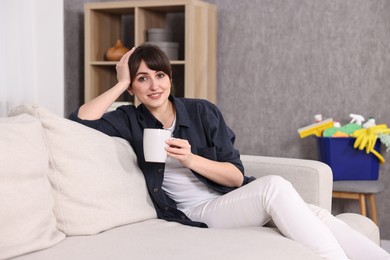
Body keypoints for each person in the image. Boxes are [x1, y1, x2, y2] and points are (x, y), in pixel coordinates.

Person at [70, 44, 390, 260]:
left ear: (170, 78)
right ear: (133, 88)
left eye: (160, 75)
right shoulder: (128, 119)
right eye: (142, 79)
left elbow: (236, 178)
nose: (154, 85)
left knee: (316, 214)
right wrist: (120, 80)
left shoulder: (202, 113)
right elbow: (80, 121)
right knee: (275, 186)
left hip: (226, 200)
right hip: (192, 214)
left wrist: (190, 158)